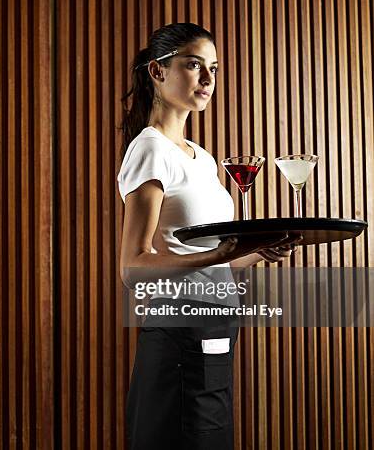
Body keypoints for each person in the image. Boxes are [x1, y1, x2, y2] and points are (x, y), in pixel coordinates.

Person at [117, 23, 297, 449]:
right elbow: (133, 266)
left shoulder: (202, 158)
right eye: (194, 66)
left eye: (213, 68)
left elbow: (215, 261)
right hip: (177, 331)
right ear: (157, 72)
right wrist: (219, 255)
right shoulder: (150, 149)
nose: (208, 79)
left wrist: (256, 250)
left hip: (218, 326)